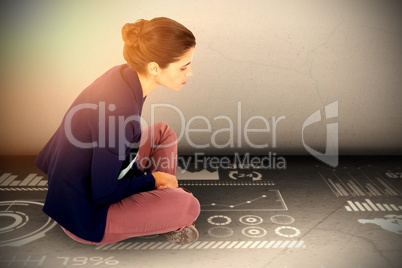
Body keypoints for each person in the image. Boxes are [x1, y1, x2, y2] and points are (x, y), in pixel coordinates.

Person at [35, 17, 200, 245]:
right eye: (183, 66)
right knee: (188, 206)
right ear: (154, 67)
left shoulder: (124, 74)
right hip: (86, 216)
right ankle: (162, 206)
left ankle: (157, 200)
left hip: (79, 184)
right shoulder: (119, 116)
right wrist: (152, 180)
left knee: (163, 133)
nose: (189, 73)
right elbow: (102, 193)